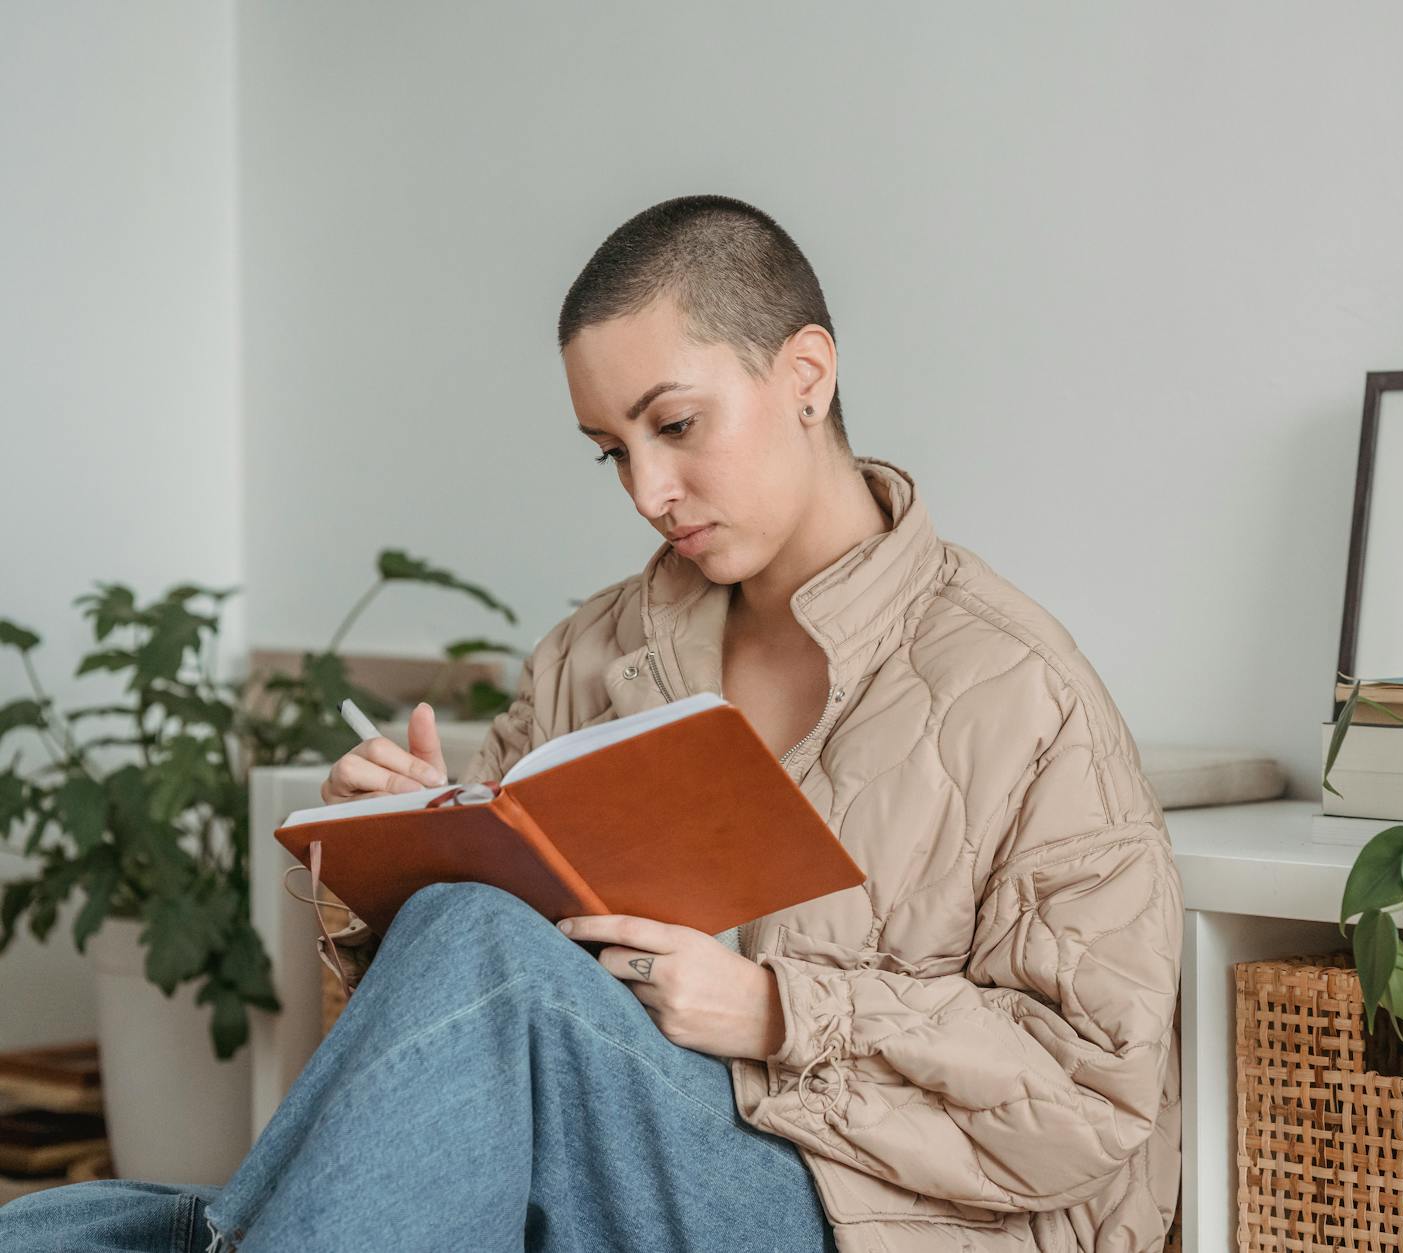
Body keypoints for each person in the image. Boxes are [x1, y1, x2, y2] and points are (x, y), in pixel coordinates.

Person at [0, 194, 1183, 1253]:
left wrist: (775, 1009)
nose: (646, 493)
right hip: (601, 1152)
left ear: (806, 374)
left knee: (446, 974)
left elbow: (1095, 1092)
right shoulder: (598, 651)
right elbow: (465, 1021)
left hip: (865, 1211)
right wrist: (410, 844)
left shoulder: (1019, 688)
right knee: (46, 1224)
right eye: (611, 451)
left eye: (675, 426)